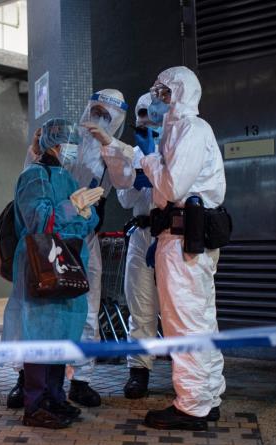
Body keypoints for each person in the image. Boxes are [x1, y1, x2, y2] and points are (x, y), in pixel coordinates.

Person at [88, 67, 226, 431]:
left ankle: (192, 406)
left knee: (185, 323)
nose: (159, 102)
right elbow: (133, 181)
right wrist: (117, 146)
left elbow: (172, 185)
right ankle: (207, 397)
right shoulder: (181, 131)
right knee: (197, 320)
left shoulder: (192, 129)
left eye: (164, 94)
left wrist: (145, 158)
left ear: (181, 93)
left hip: (183, 239)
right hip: (176, 238)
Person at [2, 117, 102, 429]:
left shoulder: (65, 176)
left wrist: (83, 211)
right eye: (67, 143)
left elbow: (88, 222)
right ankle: (34, 405)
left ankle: (55, 397)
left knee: (62, 334)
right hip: (40, 263)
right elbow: (39, 220)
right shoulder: (34, 176)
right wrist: (72, 208)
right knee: (39, 335)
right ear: (54, 144)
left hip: (68, 260)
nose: (72, 149)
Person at [66, 89, 129, 407]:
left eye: (107, 115)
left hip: (87, 237)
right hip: (52, 235)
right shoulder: (66, 139)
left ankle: (81, 380)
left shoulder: (113, 151)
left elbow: (125, 180)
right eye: (96, 111)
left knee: (88, 310)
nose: (98, 119)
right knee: (39, 308)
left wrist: (109, 144)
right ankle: (28, 377)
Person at [98, 93, 162, 399]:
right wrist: (137, 179)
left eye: (151, 118)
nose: (146, 125)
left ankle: (190, 375)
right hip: (141, 232)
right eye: (142, 120)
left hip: (172, 234)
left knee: (178, 308)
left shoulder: (177, 146)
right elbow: (124, 198)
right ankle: (139, 371)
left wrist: (155, 171)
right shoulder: (133, 152)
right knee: (140, 304)